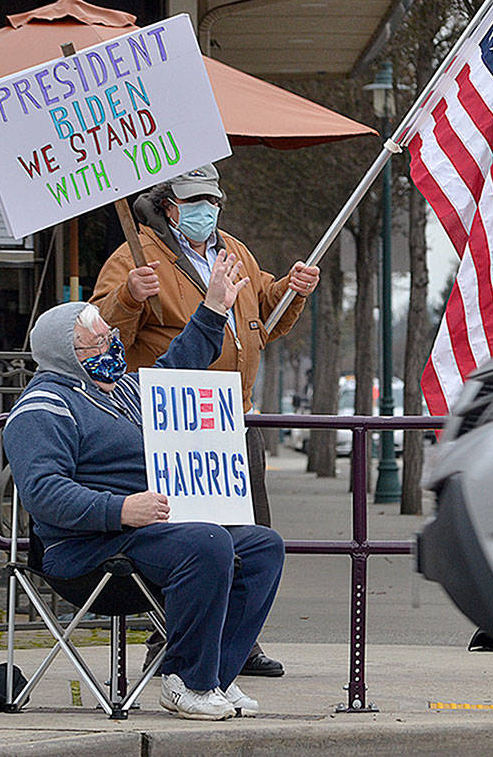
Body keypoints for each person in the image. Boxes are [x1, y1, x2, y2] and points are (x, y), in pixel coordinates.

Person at [5, 251, 284, 720]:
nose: (113, 347)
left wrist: (215, 306)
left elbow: (178, 367)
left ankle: (214, 676)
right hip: (86, 550)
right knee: (208, 542)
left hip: (147, 533)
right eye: (98, 344)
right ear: (67, 356)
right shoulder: (43, 406)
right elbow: (44, 492)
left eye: (111, 338)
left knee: (262, 546)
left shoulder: (123, 392)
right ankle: (186, 682)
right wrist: (120, 509)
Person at [89, 163, 318, 677]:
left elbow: (264, 317)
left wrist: (293, 290)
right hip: (174, 422)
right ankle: (170, 635)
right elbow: (100, 336)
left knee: (249, 533)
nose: (205, 210)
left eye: (212, 199)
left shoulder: (235, 251)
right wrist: (129, 296)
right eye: (193, 201)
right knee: (190, 537)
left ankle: (238, 639)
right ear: (169, 205)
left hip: (236, 419)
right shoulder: (134, 257)